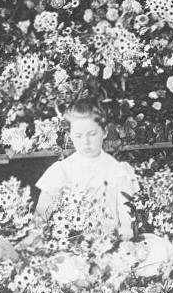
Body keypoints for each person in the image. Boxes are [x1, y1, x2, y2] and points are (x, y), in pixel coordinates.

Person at [35, 99, 138, 240]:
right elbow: (41, 215)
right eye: (78, 135)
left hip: (110, 243)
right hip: (69, 243)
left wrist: (124, 237)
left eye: (92, 134)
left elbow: (127, 216)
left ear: (105, 132)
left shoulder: (117, 170)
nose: (85, 141)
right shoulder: (61, 170)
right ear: (70, 135)